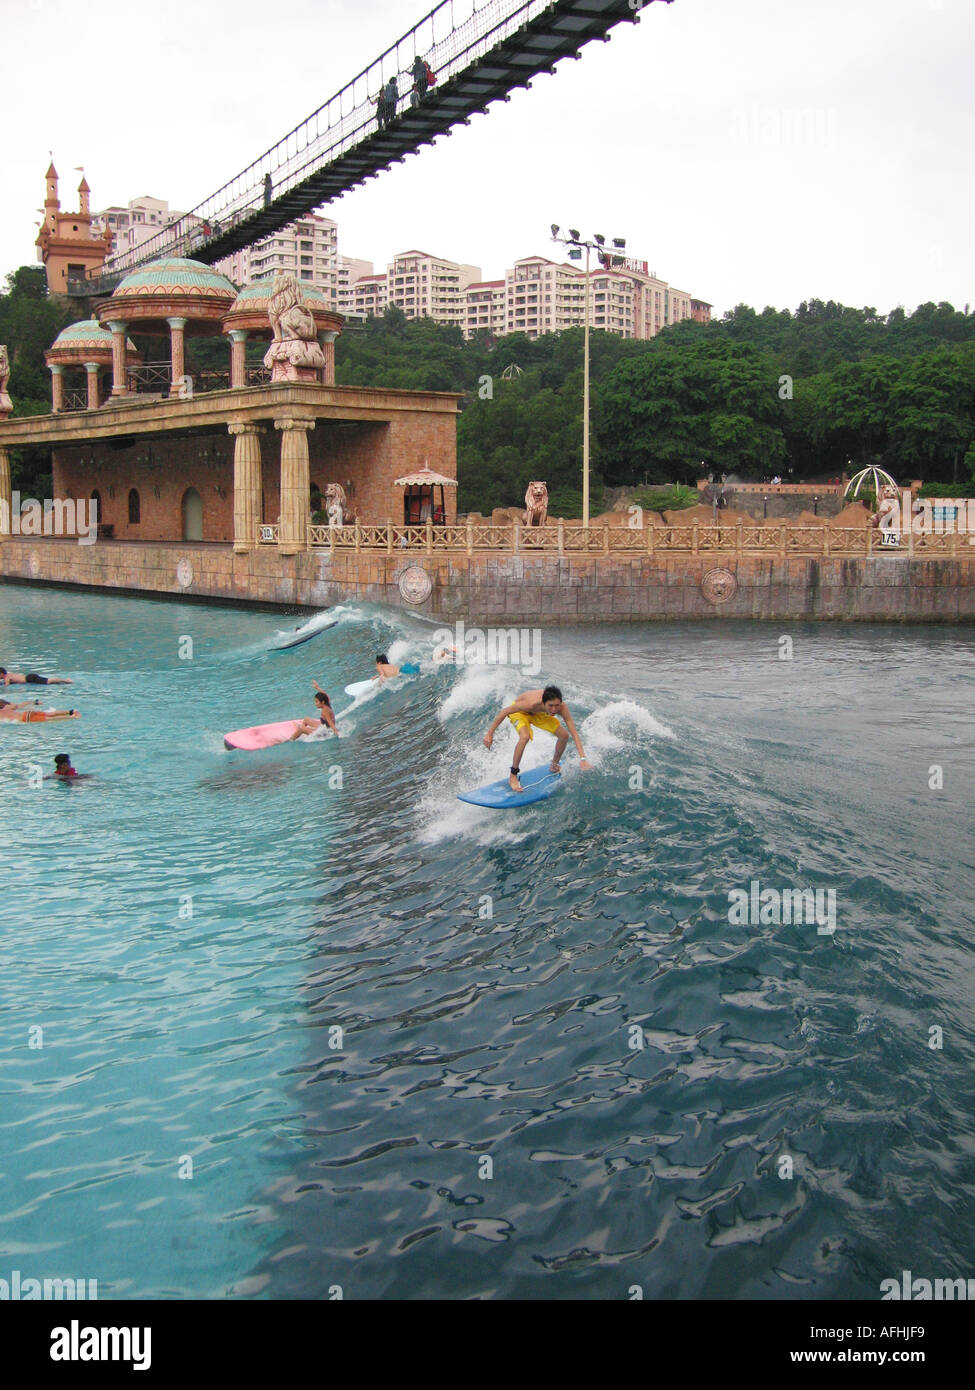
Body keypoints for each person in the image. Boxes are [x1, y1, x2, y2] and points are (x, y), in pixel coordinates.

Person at [484, 684, 591, 792]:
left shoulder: (560, 707)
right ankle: (513, 775)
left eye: (557, 705)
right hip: (520, 713)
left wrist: (583, 758)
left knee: (564, 735)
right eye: (551, 705)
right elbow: (505, 711)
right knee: (525, 737)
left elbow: (574, 732)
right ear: (543, 703)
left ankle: (554, 765)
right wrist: (489, 734)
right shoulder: (530, 704)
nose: (554, 709)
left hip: (539, 713)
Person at [0, 698, 80, 722]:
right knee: (50, 714)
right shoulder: (7, 707)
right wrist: (34, 702)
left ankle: (73, 717)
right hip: (27, 712)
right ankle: (71, 711)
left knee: (49, 719)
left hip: (25, 718)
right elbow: (22, 704)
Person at [0, 668, 72, 685]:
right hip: (29, 677)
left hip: (29, 679)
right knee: (49, 681)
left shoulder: (6, 677)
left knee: (48, 681)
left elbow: (7, 685)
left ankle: (66, 680)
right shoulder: (11, 674)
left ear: (2, 674)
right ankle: (64, 681)